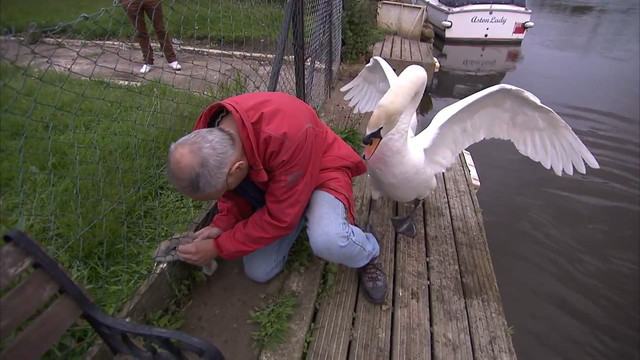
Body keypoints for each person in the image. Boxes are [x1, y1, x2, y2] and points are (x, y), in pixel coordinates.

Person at [166, 91, 387, 304]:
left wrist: (217, 247)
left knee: (329, 240)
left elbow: (277, 216)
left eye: (219, 192)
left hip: (320, 171)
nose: (220, 196)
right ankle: (300, 213)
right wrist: (222, 223)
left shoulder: (288, 133)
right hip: (280, 188)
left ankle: (368, 252)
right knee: (258, 270)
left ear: (237, 169)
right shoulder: (208, 142)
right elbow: (233, 192)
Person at [118, 0, 182, 74]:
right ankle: (148, 61)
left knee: (160, 29)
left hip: (151, 1)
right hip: (130, 2)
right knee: (140, 32)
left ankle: (172, 59)